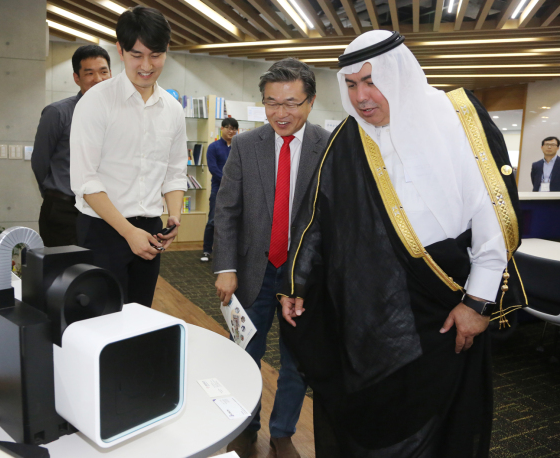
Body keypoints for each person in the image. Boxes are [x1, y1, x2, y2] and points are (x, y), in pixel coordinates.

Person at [279, 31, 526, 457]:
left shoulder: (460, 118)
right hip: (373, 319)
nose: (361, 97)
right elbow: (316, 221)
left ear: (401, 75)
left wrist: (478, 304)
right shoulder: (349, 139)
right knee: (373, 421)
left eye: (372, 81)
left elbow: (494, 222)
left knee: (443, 429)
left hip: (449, 306)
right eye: (351, 84)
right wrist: (296, 285)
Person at [213, 58, 331, 458]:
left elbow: (331, 217)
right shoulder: (247, 145)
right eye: (271, 102)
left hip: (303, 277)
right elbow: (227, 210)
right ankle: (245, 429)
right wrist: (225, 267)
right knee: (245, 353)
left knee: (298, 362)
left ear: (311, 102)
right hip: (251, 272)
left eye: (292, 103)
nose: (281, 113)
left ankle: (282, 432)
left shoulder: (327, 146)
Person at [70, 6, 186, 307]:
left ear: (167, 50)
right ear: (120, 51)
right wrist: (127, 232)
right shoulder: (96, 101)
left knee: (139, 318)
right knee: (100, 322)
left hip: (149, 230)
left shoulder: (172, 109)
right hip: (102, 229)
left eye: (155, 55)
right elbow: (85, 180)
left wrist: (174, 215)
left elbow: (174, 171)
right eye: (137, 55)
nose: (147, 65)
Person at [32, 45, 112, 247]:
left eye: (104, 71)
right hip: (64, 211)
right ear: (77, 78)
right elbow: (40, 162)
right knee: (66, 274)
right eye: (89, 73)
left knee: (100, 273)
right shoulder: (57, 113)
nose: (98, 79)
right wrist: (56, 194)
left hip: (105, 211)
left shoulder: (118, 116)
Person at [200, 117, 239, 262]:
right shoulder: (213, 147)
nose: (231, 131)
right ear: (221, 128)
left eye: (234, 129)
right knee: (213, 221)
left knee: (234, 222)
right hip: (219, 189)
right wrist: (228, 181)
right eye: (228, 128)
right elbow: (213, 168)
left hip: (237, 190)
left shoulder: (238, 146)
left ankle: (230, 252)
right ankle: (206, 250)